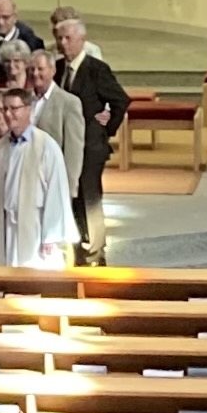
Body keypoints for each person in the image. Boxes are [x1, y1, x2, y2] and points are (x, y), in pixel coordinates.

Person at [55, 19, 128, 266]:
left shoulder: (96, 69)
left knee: (90, 197)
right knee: (72, 198)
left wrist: (105, 130)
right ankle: (78, 246)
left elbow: (120, 101)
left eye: (68, 38)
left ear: (81, 40)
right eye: (59, 38)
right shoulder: (56, 69)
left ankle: (96, 251)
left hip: (90, 146)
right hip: (65, 147)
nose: (62, 43)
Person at [0, 88, 79, 267]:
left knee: (35, 283)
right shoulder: (0, 147)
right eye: (5, 108)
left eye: (14, 108)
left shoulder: (46, 146)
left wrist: (51, 235)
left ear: (29, 109)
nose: (8, 114)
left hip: (36, 226)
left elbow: (56, 192)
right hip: (7, 227)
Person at [30, 49, 85, 200]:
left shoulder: (68, 102)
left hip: (54, 181)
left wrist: (69, 187)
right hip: (28, 181)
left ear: (53, 70)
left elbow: (74, 150)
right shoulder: (24, 101)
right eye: (31, 69)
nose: (35, 73)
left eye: (40, 69)